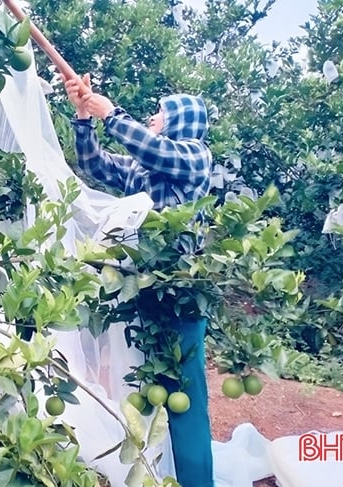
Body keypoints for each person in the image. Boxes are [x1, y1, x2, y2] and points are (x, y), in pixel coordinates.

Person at [63, 73, 214, 487]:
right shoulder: (141, 172)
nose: (152, 117)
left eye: (161, 113)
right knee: (148, 394)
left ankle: (199, 482)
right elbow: (94, 164)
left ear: (181, 121)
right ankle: (158, 474)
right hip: (141, 295)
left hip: (181, 297)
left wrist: (110, 112)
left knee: (185, 402)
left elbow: (155, 150)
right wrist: (83, 117)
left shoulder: (196, 157)